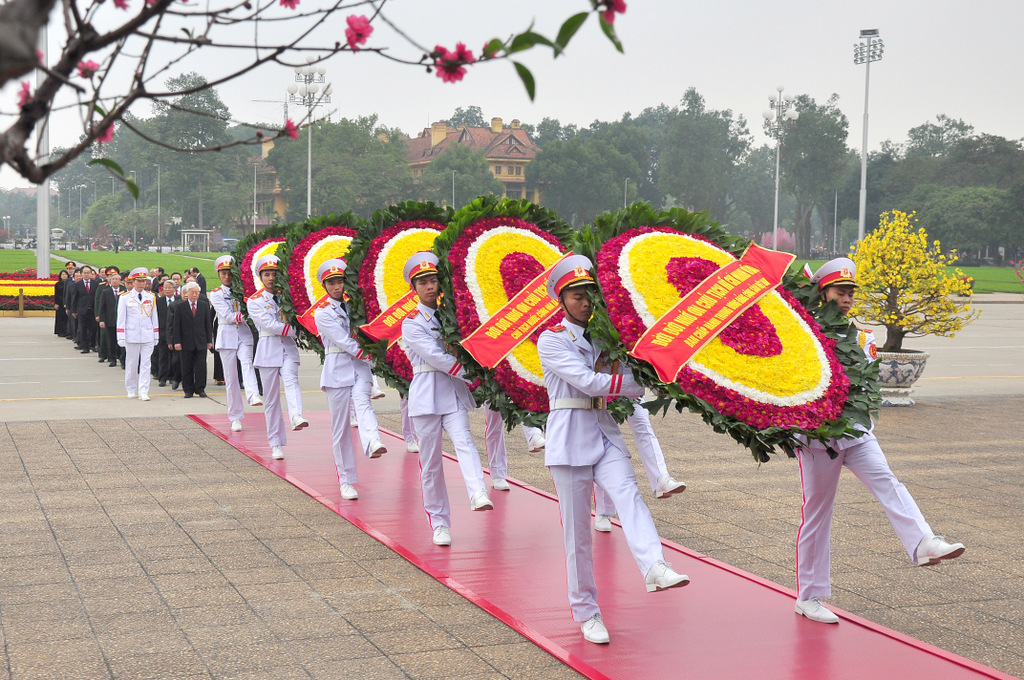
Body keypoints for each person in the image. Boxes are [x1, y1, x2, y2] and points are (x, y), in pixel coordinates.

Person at [794, 258, 966, 625]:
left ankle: (923, 542)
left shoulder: (862, 337)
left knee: (888, 481)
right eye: (840, 292)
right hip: (817, 440)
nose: (846, 299)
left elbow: (868, 384)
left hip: (856, 433)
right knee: (817, 515)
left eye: (850, 293)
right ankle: (808, 596)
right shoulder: (803, 334)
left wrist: (865, 417)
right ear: (822, 292)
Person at [537, 254, 688, 645]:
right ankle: (587, 612)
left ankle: (655, 565)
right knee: (578, 535)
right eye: (576, 295)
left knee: (630, 495)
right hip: (569, 438)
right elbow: (588, 382)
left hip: (604, 432)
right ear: (560, 299)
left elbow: (624, 369)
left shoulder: (606, 337)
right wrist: (635, 385)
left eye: (589, 293)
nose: (585, 301)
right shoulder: (551, 340)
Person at [401, 251, 492, 547]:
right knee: (430, 465)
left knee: (465, 441)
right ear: (414, 288)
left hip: (451, 393)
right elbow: (436, 357)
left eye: (433, 280)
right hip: (427, 395)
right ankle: (439, 522)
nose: (430, 286)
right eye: (423, 282)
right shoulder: (411, 322)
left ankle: (478, 492)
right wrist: (473, 375)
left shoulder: (451, 315)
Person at [315, 259, 386, 500]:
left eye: (340, 281)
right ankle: (346, 480)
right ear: (324, 285)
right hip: (338, 370)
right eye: (332, 283)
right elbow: (343, 341)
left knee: (364, 404)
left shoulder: (355, 307)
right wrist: (372, 357)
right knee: (341, 428)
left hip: (359, 368)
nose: (337, 287)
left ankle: (372, 440)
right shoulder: (322, 313)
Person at [246, 254, 307, 460]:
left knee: (291, 380)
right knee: (271, 400)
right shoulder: (254, 301)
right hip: (268, 350)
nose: (271, 278)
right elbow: (269, 325)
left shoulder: (287, 298)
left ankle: (297, 415)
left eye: (274, 274)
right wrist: (298, 331)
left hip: (287, 349)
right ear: (260, 277)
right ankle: (275, 442)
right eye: (267, 274)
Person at [593, 400, 687, 532]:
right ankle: (604, 511)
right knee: (605, 438)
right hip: (605, 387)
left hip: (633, 388)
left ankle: (661, 478)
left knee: (643, 425)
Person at [209, 255, 262, 432]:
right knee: (231, 378)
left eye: (230, 273)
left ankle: (253, 394)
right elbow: (227, 315)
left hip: (244, 335)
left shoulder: (243, 291)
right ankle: (235, 417)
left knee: (247, 363)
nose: (227, 276)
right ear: (219, 274)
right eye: (223, 273)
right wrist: (248, 315)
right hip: (227, 336)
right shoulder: (216, 294)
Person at [116, 268, 159, 400]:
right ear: (133, 282)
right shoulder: (125, 298)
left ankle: (143, 391)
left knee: (146, 364)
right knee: (131, 364)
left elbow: (154, 317)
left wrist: (156, 334)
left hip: (147, 335)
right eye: (139, 281)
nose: (141, 284)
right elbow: (121, 318)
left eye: (143, 281)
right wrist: (121, 336)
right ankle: (130, 389)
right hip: (131, 334)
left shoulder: (151, 297)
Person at [171, 281, 213, 399]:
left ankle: (200, 389)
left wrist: (209, 341)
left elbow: (207, 325)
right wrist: (177, 342)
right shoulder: (180, 307)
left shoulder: (204, 305)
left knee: (201, 367)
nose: (195, 295)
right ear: (186, 293)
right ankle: (188, 390)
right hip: (186, 342)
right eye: (192, 292)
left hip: (201, 341)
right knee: (186, 367)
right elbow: (176, 325)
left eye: (197, 293)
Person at [97, 272, 126, 368]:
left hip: (122, 321)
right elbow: (102, 307)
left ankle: (122, 360)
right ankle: (112, 359)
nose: (114, 281)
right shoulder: (106, 292)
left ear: (120, 281)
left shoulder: (124, 291)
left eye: (116, 279)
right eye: (113, 279)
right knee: (111, 340)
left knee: (122, 341)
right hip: (110, 320)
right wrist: (102, 320)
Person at [155, 279, 181, 388]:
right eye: (165, 288)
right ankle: (162, 378)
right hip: (162, 333)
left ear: (174, 289)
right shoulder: (158, 301)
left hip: (175, 334)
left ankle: (173, 377)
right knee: (163, 357)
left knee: (175, 358)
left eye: (169, 287)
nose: (167, 290)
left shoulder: (179, 301)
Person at [70, 265, 98, 353]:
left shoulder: (95, 284)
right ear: (81, 274)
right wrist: (74, 310)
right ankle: (85, 347)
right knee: (83, 329)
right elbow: (75, 298)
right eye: (84, 273)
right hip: (82, 310)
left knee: (93, 328)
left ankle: (92, 345)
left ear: (91, 274)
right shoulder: (77, 284)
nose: (86, 274)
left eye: (88, 273)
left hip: (93, 310)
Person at [53, 270, 69, 337]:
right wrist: (56, 303)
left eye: (65, 274)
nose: (64, 276)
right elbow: (56, 294)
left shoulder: (69, 283)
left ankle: (67, 331)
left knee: (66, 318)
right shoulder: (57, 284)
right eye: (63, 274)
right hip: (60, 302)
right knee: (60, 318)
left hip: (67, 302)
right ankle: (60, 331)